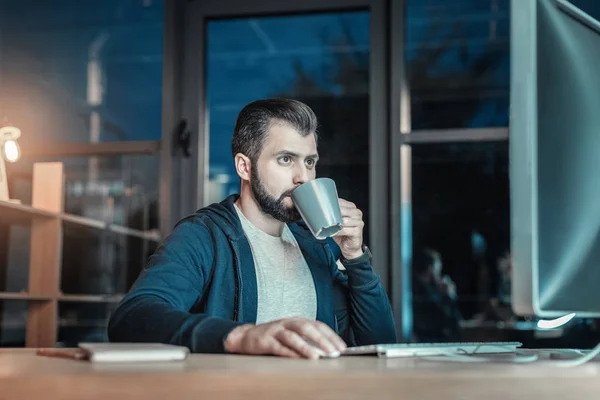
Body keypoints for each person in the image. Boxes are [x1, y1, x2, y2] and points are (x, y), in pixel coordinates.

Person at [108, 98, 396, 359]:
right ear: (244, 167)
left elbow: (380, 342)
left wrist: (355, 256)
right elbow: (131, 319)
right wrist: (241, 336)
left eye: (309, 162)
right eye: (286, 159)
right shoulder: (205, 236)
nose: (304, 177)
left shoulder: (314, 244)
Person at [412, 248, 462, 342]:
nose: (439, 273)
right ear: (430, 268)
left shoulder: (431, 289)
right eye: (438, 268)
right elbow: (450, 321)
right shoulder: (423, 291)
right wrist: (449, 296)